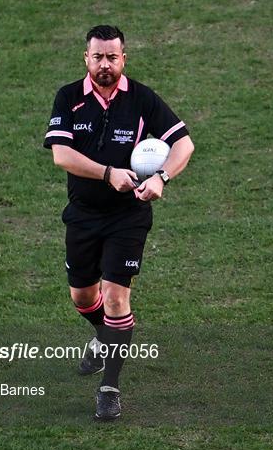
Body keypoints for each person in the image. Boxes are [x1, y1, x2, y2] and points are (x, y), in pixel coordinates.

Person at [44, 25, 194, 421]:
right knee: (82, 297)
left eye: (112, 57)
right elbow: (62, 155)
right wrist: (109, 172)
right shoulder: (69, 98)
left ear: (124, 58)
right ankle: (101, 336)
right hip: (82, 215)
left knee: (116, 298)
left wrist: (161, 179)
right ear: (86, 59)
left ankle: (109, 387)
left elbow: (184, 143)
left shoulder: (142, 99)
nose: (105, 65)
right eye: (98, 57)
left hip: (128, 216)